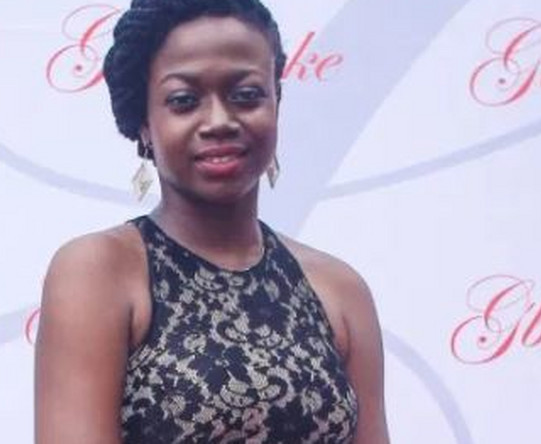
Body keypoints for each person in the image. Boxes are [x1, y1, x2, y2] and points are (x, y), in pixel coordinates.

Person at [35, 0, 389, 442]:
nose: (220, 121)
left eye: (246, 95)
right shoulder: (98, 271)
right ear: (144, 122)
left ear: (277, 103)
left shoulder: (339, 288)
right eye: (184, 101)